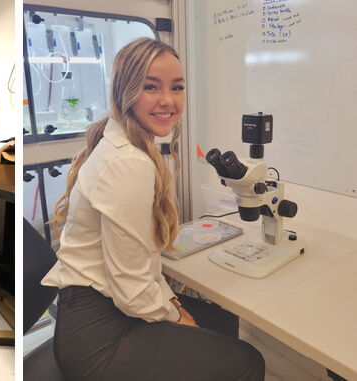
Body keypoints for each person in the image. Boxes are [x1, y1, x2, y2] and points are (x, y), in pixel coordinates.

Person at [42, 37, 265, 380]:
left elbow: (142, 267)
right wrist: (178, 317)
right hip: (96, 339)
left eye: (177, 87)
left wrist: (173, 304)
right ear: (125, 92)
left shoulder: (128, 145)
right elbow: (132, 290)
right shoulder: (127, 163)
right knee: (248, 361)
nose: (167, 100)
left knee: (223, 321)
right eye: (150, 87)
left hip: (93, 311)